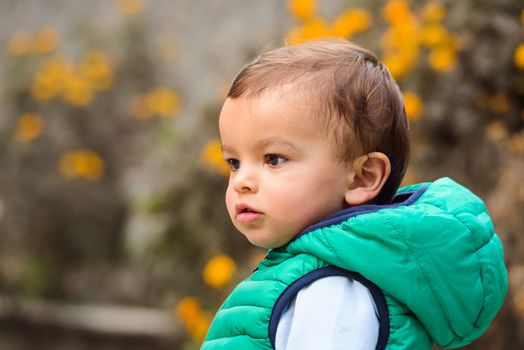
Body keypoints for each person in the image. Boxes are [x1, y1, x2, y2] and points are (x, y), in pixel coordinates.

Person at [201, 38, 507, 350]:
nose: (242, 181)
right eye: (234, 163)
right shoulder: (305, 273)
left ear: (361, 178)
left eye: (273, 159)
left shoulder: (332, 291)